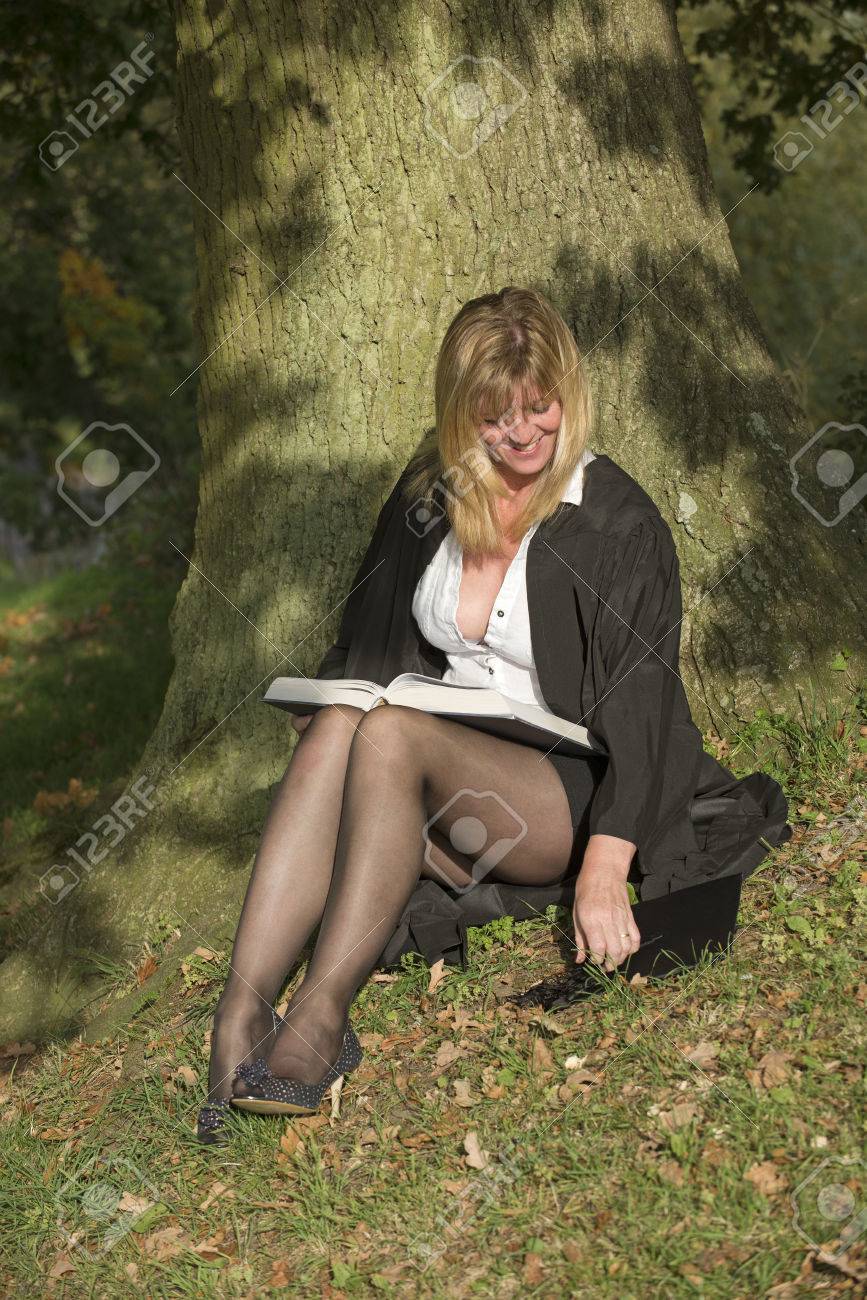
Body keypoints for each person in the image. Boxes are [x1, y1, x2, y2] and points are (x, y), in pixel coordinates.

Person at [196, 286, 779, 1142]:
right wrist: (330, 711)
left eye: (539, 412)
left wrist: (605, 866)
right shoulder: (430, 492)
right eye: (493, 419)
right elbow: (370, 635)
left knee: (388, 731)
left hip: (568, 786)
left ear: (567, 399)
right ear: (458, 413)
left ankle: (318, 1021)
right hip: (450, 767)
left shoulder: (615, 522)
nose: (521, 438)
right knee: (344, 725)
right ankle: (236, 1023)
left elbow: (645, 706)